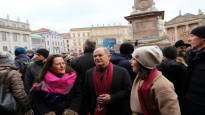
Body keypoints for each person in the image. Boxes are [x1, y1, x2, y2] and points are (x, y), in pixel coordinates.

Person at [130, 46, 180, 115]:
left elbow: (172, 112)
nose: (130, 61)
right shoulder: (140, 77)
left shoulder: (163, 86)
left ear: (143, 62)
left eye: (134, 59)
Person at [83, 47, 132, 115]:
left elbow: (128, 91)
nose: (97, 58)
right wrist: (87, 110)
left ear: (109, 56)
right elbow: (86, 93)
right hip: (95, 110)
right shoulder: (89, 73)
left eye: (100, 55)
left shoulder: (122, 71)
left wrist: (112, 97)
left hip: (117, 110)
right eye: (95, 56)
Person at [183, 25, 205, 115]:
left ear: (203, 38)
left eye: (192, 36)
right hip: (189, 102)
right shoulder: (190, 55)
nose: (189, 40)